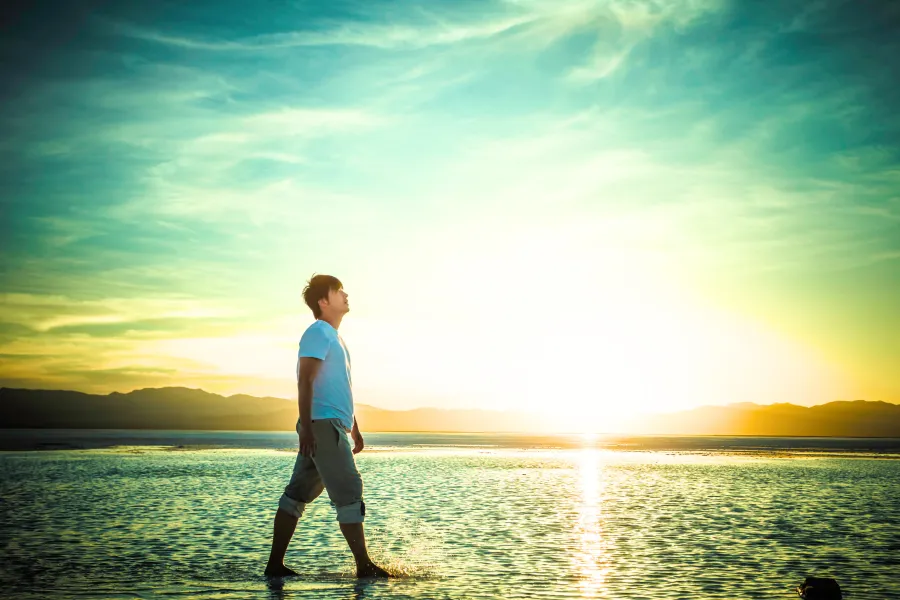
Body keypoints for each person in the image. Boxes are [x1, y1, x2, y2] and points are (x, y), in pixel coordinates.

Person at [264, 274, 390, 578]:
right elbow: (305, 379)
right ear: (324, 301)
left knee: (297, 494)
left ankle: (274, 566)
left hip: (328, 424)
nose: (345, 295)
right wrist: (306, 428)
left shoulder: (334, 337)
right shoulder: (318, 332)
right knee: (348, 490)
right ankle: (364, 566)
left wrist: (353, 426)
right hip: (320, 426)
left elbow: (338, 386)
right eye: (338, 291)